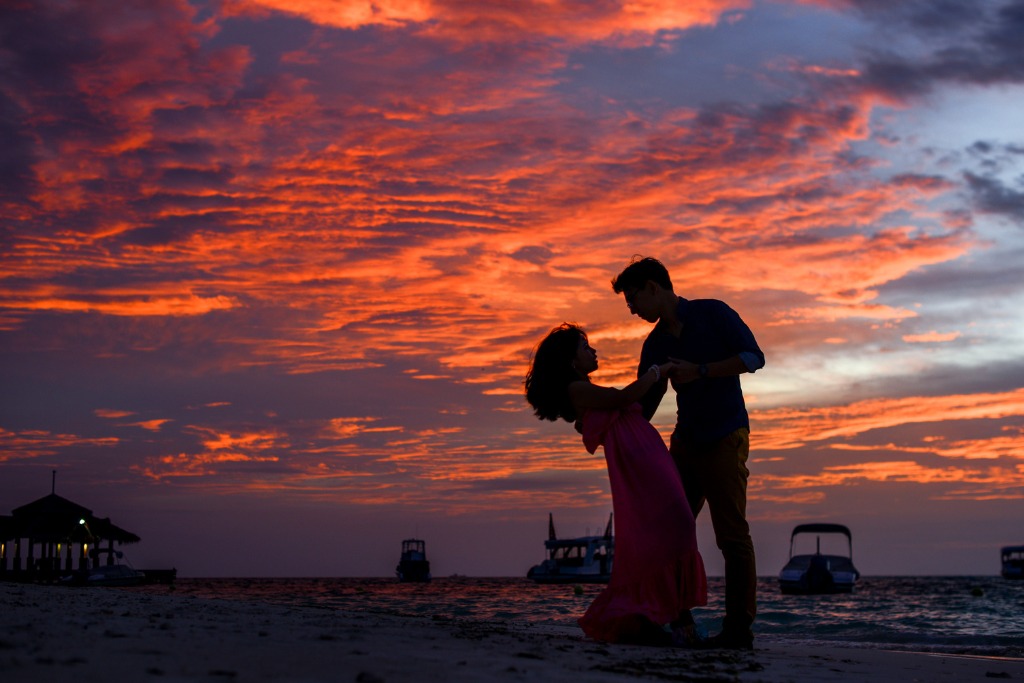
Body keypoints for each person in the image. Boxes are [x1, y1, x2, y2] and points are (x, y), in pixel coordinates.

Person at [612, 256, 764, 651]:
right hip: (684, 444)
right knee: (666, 530)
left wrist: (700, 370)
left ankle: (738, 631)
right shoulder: (656, 344)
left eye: (632, 298)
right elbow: (645, 403)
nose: (631, 308)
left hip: (727, 436)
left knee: (731, 536)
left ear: (653, 287)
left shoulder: (713, 314)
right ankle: (673, 621)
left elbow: (753, 358)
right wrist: (610, 426)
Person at [524, 323, 707, 646]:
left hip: (645, 455)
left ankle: (663, 620)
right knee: (675, 526)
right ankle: (671, 622)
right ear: (570, 360)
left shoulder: (583, 389)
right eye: (585, 347)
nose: (592, 351)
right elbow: (625, 397)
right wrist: (656, 371)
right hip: (639, 463)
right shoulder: (576, 390)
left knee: (674, 528)